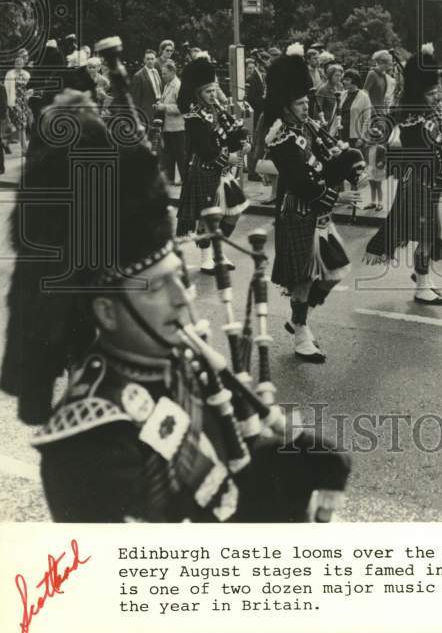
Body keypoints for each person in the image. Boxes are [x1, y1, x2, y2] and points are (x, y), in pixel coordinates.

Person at [0, 89, 350, 522]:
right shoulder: (88, 443)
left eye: (180, 280)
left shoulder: (182, 364)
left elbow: (229, 474)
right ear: (107, 312)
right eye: (156, 288)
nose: (182, 299)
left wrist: (279, 472)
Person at [265, 46, 364, 362]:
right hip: (297, 214)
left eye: (307, 101)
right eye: (300, 103)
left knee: (333, 271)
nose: (306, 106)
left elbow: (326, 159)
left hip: (316, 214)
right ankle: (300, 330)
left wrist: (350, 163)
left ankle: (297, 318)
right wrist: (338, 197)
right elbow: (301, 182)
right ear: (285, 107)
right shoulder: (280, 137)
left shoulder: (306, 127)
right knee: (305, 278)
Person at [365, 44, 442, 304]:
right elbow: (419, 152)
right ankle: (422, 284)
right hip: (420, 181)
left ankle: (422, 275)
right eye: (432, 93)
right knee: (427, 237)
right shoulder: (410, 117)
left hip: (438, 182)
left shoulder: (436, 111)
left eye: (437, 92)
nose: (437, 97)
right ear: (420, 91)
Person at [175, 55, 250, 274]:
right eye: (208, 91)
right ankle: (206, 257)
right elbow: (203, 148)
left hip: (222, 170)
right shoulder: (195, 116)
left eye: (214, 90)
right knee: (210, 216)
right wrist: (227, 158)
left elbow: (232, 134)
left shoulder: (217, 111)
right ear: (199, 93)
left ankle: (218, 251)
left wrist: (242, 143)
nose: (213, 95)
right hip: (204, 168)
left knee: (234, 211)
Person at [363, 49, 393, 211]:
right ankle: (373, 199)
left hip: (382, 115)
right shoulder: (372, 74)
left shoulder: (383, 77)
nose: (388, 67)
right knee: (372, 150)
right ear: (380, 62)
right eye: (386, 64)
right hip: (374, 115)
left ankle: (379, 200)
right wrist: (372, 113)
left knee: (381, 152)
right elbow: (365, 94)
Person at [156, 58, 186, 185]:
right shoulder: (168, 84)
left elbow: (181, 108)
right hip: (168, 126)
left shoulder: (178, 86)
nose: (162, 76)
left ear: (172, 72)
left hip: (177, 126)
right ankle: (171, 178)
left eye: (164, 73)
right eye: (162, 73)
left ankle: (184, 178)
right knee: (169, 153)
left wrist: (164, 107)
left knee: (180, 154)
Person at [338, 69, 372, 150]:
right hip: (340, 134)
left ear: (355, 81)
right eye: (344, 79)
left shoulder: (364, 97)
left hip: (354, 136)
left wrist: (362, 138)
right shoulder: (342, 95)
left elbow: (367, 119)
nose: (344, 82)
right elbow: (336, 114)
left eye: (347, 80)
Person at [131, 49, 163, 131]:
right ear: (144, 60)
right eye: (148, 59)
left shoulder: (156, 72)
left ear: (155, 59)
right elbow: (136, 99)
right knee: (148, 136)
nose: (150, 61)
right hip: (146, 112)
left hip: (159, 108)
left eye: (152, 59)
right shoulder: (138, 76)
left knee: (159, 136)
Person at [317, 63, 344, 133]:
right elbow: (318, 108)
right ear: (330, 76)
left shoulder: (340, 86)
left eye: (340, 75)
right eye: (336, 75)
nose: (339, 78)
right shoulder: (323, 89)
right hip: (327, 122)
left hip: (338, 120)